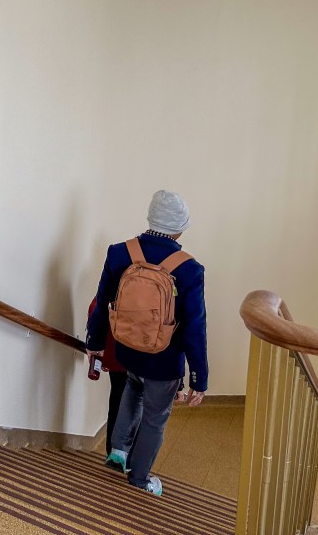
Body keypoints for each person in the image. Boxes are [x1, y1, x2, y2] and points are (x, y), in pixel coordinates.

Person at [86, 190, 208, 496]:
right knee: (155, 418)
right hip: (163, 360)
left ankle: (118, 452)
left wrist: (95, 342)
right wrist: (198, 378)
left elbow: (103, 303)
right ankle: (140, 480)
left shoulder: (119, 252)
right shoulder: (189, 269)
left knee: (133, 390)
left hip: (128, 348)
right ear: (179, 227)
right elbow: (195, 327)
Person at [87, 294, 127, 455]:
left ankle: (114, 451)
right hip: (141, 353)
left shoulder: (116, 280)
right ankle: (127, 455)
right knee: (136, 404)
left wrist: (97, 346)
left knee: (117, 399)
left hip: (116, 353)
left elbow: (95, 309)